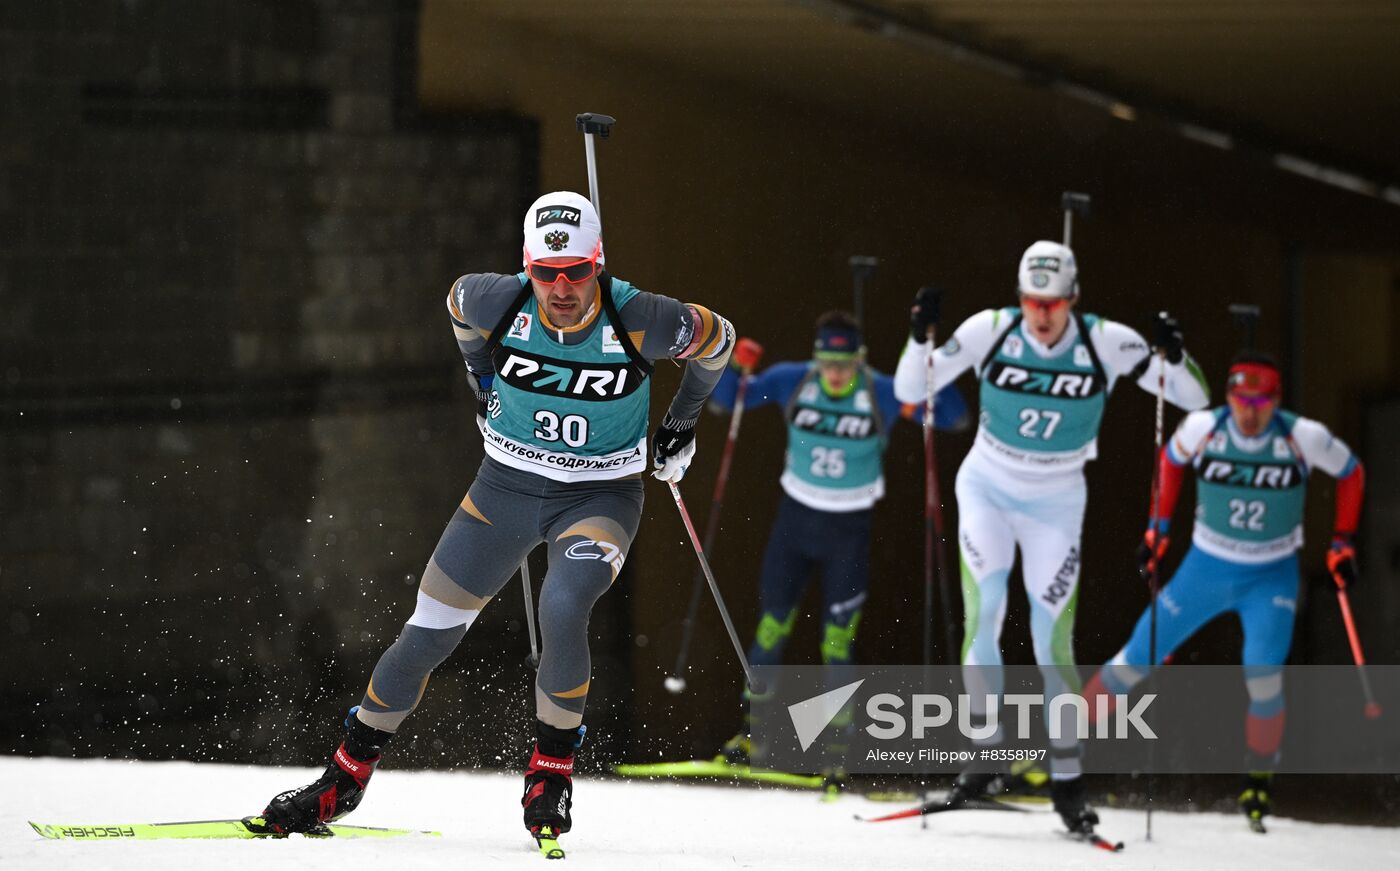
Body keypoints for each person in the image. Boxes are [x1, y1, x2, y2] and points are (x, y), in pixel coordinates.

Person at [255, 191, 735, 854]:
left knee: (564, 603)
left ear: (598, 263)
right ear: (526, 266)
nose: (561, 288)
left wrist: (682, 422)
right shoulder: (493, 300)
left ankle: (551, 773)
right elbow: (456, 308)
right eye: (546, 272)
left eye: (576, 272)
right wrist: (481, 380)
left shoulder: (641, 317)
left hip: (598, 497)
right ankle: (344, 777)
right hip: (504, 487)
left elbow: (720, 341)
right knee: (426, 635)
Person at [892, 240, 1211, 834]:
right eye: (1034, 302)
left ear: (1075, 299)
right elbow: (912, 392)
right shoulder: (992, 329)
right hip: (987, 486)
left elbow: (1194, 398)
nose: (1043, 315)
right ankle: (984, 756)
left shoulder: (1105, 340)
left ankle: (1067, 783)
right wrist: (919, 336)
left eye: (1055, 303)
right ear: (1021, 298)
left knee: (1050, 643)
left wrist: (1176, 354)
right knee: (984, 613)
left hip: (1056, 503)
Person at [1083, 350, 1365, 832]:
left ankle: (1259, 776)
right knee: (1135, 656)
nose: (1249, 412)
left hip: (1269, 576)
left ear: (1275, 401)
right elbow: (1170, 462)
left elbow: (1352, 473)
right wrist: (1158, 528)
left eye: (1259, 402)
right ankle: (1059, 748)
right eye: (1240, 400)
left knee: (1263, 674)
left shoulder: (1302, 436)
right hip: (1205, 568)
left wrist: (1342, 541)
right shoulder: (1203, 428)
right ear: (1229, 397)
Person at [711, 311, 969, 791]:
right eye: (827, 361)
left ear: (860, 359)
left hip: (848, 529)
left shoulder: (881, 391)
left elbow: (954, 418)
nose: (834, 373)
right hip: (794, 523)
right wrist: (733, 365)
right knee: (771, 627)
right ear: (817, 357)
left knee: (836, 641)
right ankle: (751, 734)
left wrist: (935, 372)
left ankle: (836, 747)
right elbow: (727, 403)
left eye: (844, 363)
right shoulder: (794, 380)